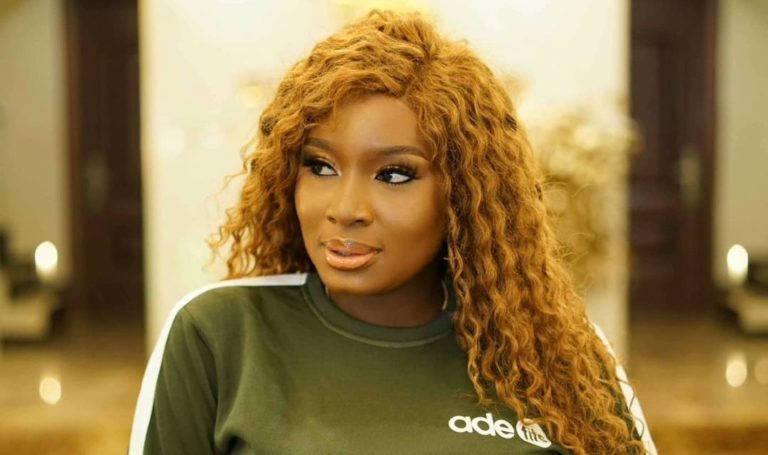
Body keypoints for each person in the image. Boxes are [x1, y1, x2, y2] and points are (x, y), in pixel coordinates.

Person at [129, 10, 656, 455]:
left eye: (395, 175)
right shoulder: (219, 336)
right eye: (320, 166)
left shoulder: (556, 351)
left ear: (463, 194)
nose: (346, 209)